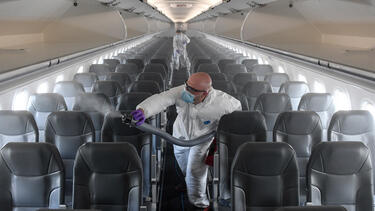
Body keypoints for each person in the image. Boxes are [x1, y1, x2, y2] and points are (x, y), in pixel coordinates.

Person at [131, 72, 241, 209]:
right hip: (180, 136)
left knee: (194, 172)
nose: (187, 92)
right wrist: (143, 111)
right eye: (187, 86)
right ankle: (188, 184)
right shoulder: (182, 91)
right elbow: (161, 99)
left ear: (205, 93)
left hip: (202, 141)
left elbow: (238, 112)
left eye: (192, 90)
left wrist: (221, 134)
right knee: (184, 167)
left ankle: (200, 204)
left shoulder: (223, 102)